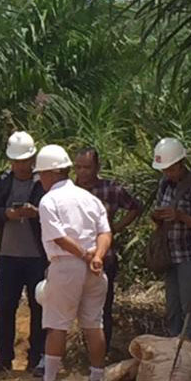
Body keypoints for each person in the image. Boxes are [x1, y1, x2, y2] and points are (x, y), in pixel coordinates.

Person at [33, 145, 112, 381]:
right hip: (94, 269)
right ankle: (97, 379)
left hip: (66, 265)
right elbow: (105, 232)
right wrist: (97, 256)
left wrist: (85, 254)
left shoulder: (49, 201)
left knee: (57, 323)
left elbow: (58, 237)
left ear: (50, 173)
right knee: (93, 323)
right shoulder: (90, 198)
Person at [0, 131, 47, 377]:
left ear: (33, 159)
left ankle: (36, 357)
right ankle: (4, 357)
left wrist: (36, 212)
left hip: (37, 256)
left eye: (25, 160)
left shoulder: (42, 183)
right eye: (16, 161)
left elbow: (56, 213)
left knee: (38, 306)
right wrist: (5, 214)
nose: (20, 165)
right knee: (5, 306)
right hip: (9, 256)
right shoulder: (2, 183)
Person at [148, 137, 191, 350]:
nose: (167, 173)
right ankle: (173, 349)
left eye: (170, 169)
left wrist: (181, 216)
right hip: (170, 255)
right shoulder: (164, 184)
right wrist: (158, 217)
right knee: (173, 307)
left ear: (180, 164)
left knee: (190, 306)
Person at [73, 147, 142, 352]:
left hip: (103, 258)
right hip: (74, 257)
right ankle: (78, 352)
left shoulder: (110, 189)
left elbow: (135, 207)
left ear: (97, 167)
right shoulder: (69, 191)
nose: (82, 172)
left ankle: (100, 355)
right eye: (78, 167)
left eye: (87, 167)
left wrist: (116, 228)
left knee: (102, 309)